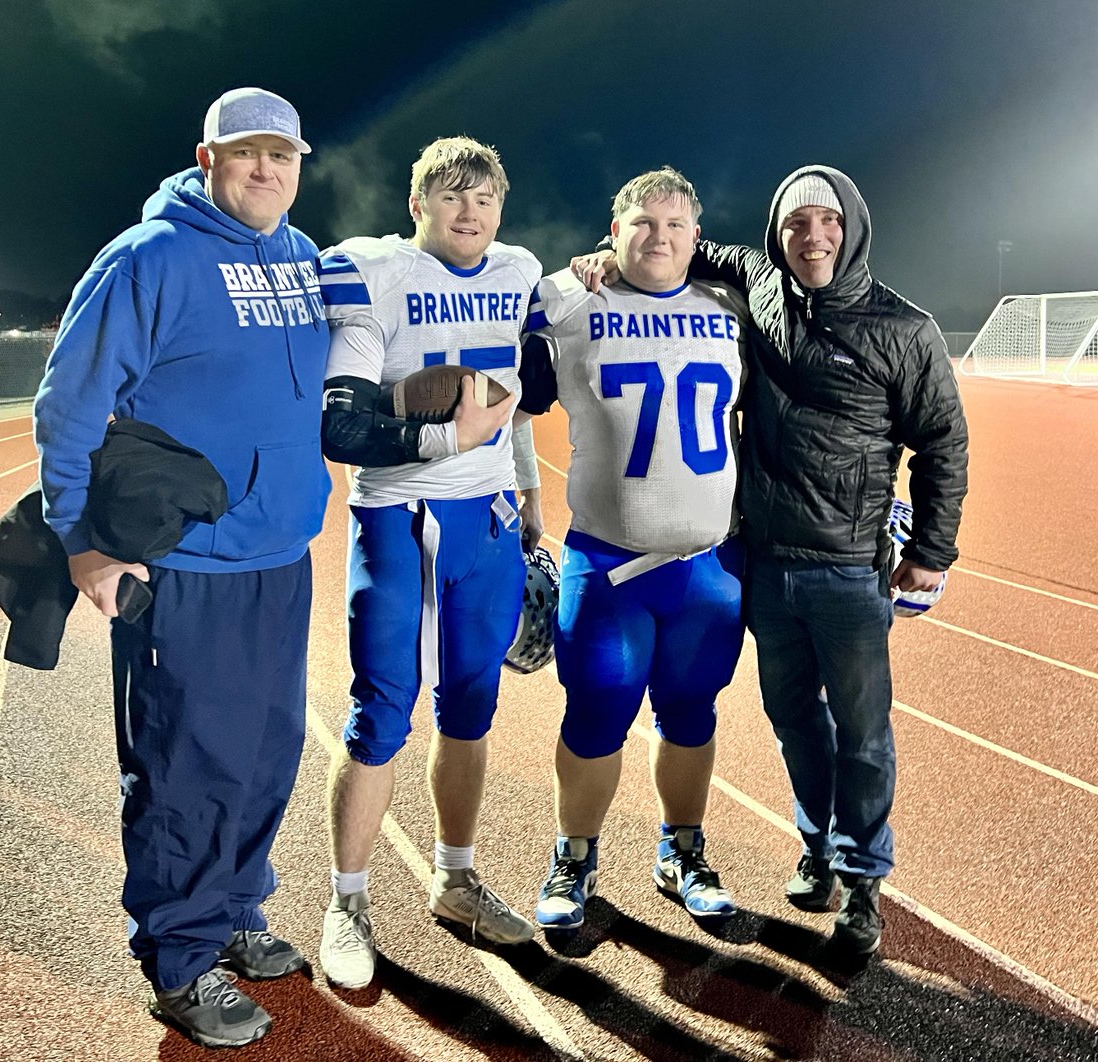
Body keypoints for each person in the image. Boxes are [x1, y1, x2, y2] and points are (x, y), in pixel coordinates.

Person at [575, 165, 968, 956]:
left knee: (862, 733)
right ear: (777, 234)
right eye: (796, 224)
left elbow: (943, 443)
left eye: (828, 222)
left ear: (853, 228)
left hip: (850, 568)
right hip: (764, 563)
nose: (812, 237)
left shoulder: (905, 327)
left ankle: (863, 883)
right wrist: (605, 257)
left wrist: (931, 549)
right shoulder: (758, 284)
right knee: (794, 722)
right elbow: (686, 246)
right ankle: (818, 848)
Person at [34, 87, 330, 1048]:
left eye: (282, 156)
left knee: (268, 750)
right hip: (188, 563)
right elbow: (70, 404)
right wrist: (80, 540)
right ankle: (179, 957)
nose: (266, 170)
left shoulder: (301, 255)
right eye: (247, 153)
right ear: (208, 160)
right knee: (188, 762)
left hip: (280, 556)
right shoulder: (148, 257)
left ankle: (235, 908)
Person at [316, 136, 543, 989]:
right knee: (381, 715)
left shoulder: (520, 271)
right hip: (401, 522)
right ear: (417, 205)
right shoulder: (374, 272)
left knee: (471, 710)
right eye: (451, 196)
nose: (469, 212)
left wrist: (529, 500)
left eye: (484, 198)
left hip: (489, 520)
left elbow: (515, 403)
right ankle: (347, 901)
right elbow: (341, 427)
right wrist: (447, 436)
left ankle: (456, 879)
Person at [519, 168, 748, 930]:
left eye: (675, 224)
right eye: (643, 223)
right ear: (613, 231)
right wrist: (525, 494)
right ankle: (574, 857)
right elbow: (500, 335)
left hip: (707, 568)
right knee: (595, 715)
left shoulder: (729, 305)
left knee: (691, 712)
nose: (660, 237)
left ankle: (682, 850)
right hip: (609, 565)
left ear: (696, 235)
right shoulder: (575, 304)